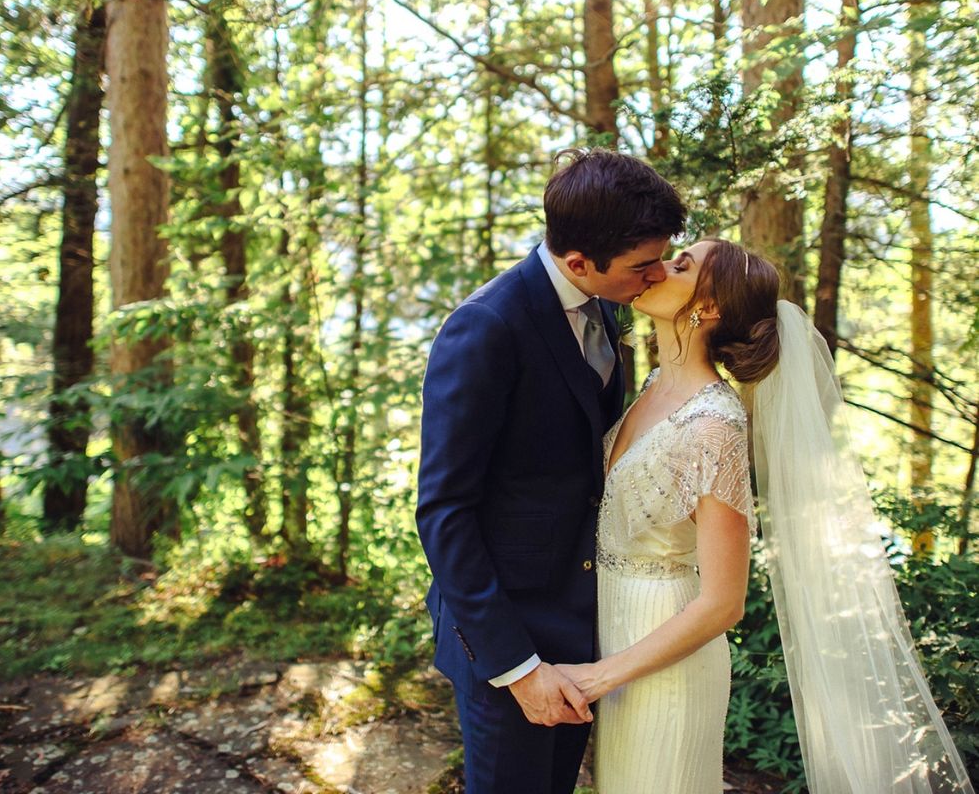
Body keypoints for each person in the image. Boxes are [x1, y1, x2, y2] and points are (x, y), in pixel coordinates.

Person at [557, 238, 975, 794]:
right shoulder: (653, 387)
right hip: (616, 632)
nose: (658, 268)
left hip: (664, 653)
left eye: (681, 266)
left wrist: (602, 674)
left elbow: (724, 602)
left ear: (709, 309)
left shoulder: (714, 422)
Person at [415, 148, 687, 794]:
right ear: (577, 262)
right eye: (642, 265)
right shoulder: (484, 329)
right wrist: (518, 667)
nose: (656, 276)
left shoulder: (605, 302)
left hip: (585, 625)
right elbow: (443, 512)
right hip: (509, 641)